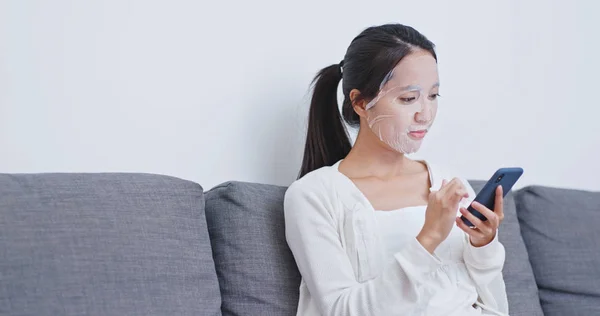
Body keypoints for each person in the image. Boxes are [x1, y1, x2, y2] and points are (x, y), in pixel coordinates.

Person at [284, 23, 509, 316]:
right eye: (408, 98)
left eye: (433, 96)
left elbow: (497, 309)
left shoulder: (449, 185)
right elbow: (342, 310)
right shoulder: (313, 196)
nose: (425, 114)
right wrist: (428, 237)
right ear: (360, 103)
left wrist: (483, 247)